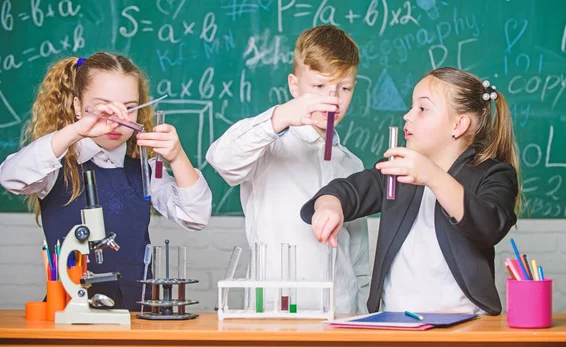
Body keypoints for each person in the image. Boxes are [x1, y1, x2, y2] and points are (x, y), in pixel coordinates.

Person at [0, 52, 212, 311]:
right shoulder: (58, 164)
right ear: (78, 107)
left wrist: (178, 157)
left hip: (139, 313)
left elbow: (196, 216)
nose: (117, 120)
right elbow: (10, 177)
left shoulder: (144, 168)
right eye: (104, 108)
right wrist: (76, 131)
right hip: (72, 311)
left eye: (129, 108)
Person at [301, 67, 520, 315]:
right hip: (396, 322)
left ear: (459, 124)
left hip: (467, 324)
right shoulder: (398, 170)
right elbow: (350, 190)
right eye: (411, 106)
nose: (407, 116)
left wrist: (432, 175)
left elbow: (489, 225)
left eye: (422, 109)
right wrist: (330, 203)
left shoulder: (493, 173)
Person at [207, 25, 370, 314]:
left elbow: (357, 256)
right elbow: (221, 160)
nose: (332, 99)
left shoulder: (352, 164)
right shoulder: (267, 145)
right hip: (274, 311)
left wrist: (361, 314)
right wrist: (280, 116)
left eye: (344, 88)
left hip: (341, 311)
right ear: (294, 86)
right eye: (319, 87)